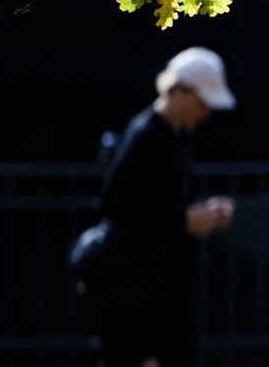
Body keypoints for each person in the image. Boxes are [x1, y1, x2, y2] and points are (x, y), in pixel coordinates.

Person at [96, 47, 238, 367]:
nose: (206, 111)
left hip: (162, 285)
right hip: (136, 290)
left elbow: (166, 202)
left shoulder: (175, 136)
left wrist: (205, 212)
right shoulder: (145, 135)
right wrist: (184, 221)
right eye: (203, 101)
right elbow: (118, 209)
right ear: (178, 91)